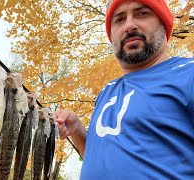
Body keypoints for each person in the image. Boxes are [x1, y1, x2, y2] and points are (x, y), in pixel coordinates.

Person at [55, 0, 194, 179]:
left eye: (141, 13)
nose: (129, 25)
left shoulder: (188, 74)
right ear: (112, 36)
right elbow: (99, 157)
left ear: (163, 23)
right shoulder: (107, 91)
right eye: (119, 20)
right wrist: (77, 131)